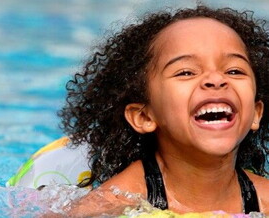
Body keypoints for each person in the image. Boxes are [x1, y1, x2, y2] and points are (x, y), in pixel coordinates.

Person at [58, 5, 269, 216]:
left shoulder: (263, 199)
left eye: (234, 70)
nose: (216, 79)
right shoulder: (120, 200)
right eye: (186, 72)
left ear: (256, 113)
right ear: (144, 116)